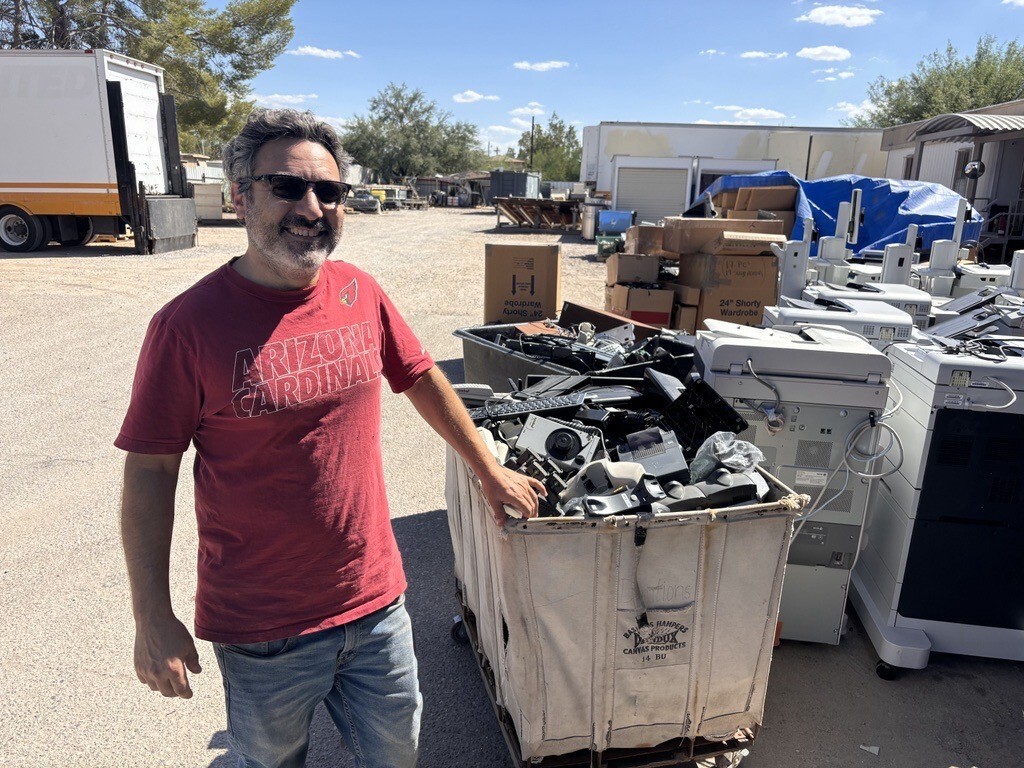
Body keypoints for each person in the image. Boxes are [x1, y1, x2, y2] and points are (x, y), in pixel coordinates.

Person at [116, 108, 545, 768]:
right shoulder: (186, 326)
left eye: (330, 191)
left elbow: (420, 375)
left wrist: (487, 466)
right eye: (288, 187)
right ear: (241, 197)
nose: (312, 207)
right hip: (262, 631)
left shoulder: (359, 292)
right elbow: (150, 472)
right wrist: (151, 615)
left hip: (375, 606)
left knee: (395, 758)